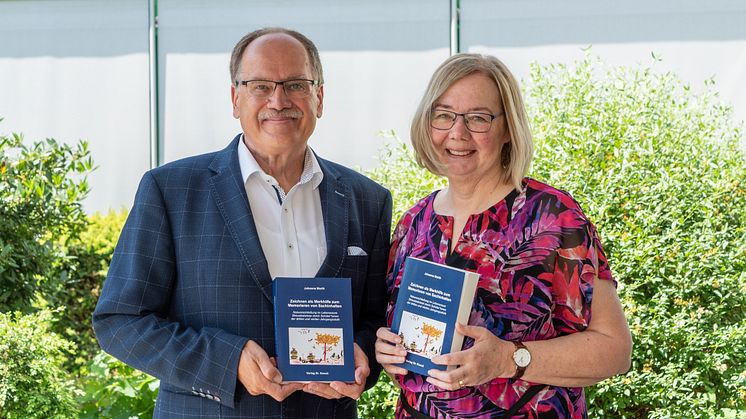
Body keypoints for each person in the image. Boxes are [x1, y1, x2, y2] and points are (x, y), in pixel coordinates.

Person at [93, 27, 392, 418]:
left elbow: (375, 318)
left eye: (296, 84)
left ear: (320, 97)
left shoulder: (366, 200)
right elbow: (120, 321)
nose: (279, 100)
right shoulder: (171, 191)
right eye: (260, 85)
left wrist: (363, 352)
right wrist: (227, 361)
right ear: (235, 98)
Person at [374, 53, 633, 418]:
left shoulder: (552, 218)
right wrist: (387, 348)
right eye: (444, 115)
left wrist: (509, 359)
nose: (457, 133)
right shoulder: (413, 224)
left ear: (508, 127)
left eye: (478, 118)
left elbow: (614, 350)